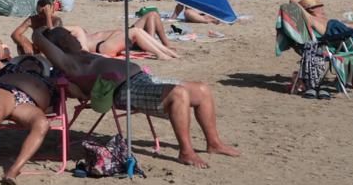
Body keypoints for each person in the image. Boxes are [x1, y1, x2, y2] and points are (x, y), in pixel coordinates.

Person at [33, 26, 240, 168]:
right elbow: (39, 39)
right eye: (67, 36)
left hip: (142, 78)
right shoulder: (69, 62)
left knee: (202, 89)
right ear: (59, 45)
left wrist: (48, 18)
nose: (73, 36)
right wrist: (38, 30)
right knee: (178, 94)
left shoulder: (83, 53)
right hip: (122, 90)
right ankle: (186, 151)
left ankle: (213, 143)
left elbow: (55, 28)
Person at [0, 55, 79, 185]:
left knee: (42, 124)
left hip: (29, 104)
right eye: (28, 60)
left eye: (37, 61)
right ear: (20, 63)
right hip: (5, 92)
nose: (32, 61)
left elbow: (75, 92)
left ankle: (14, 170)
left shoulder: (52, 76)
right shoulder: (8, 69)